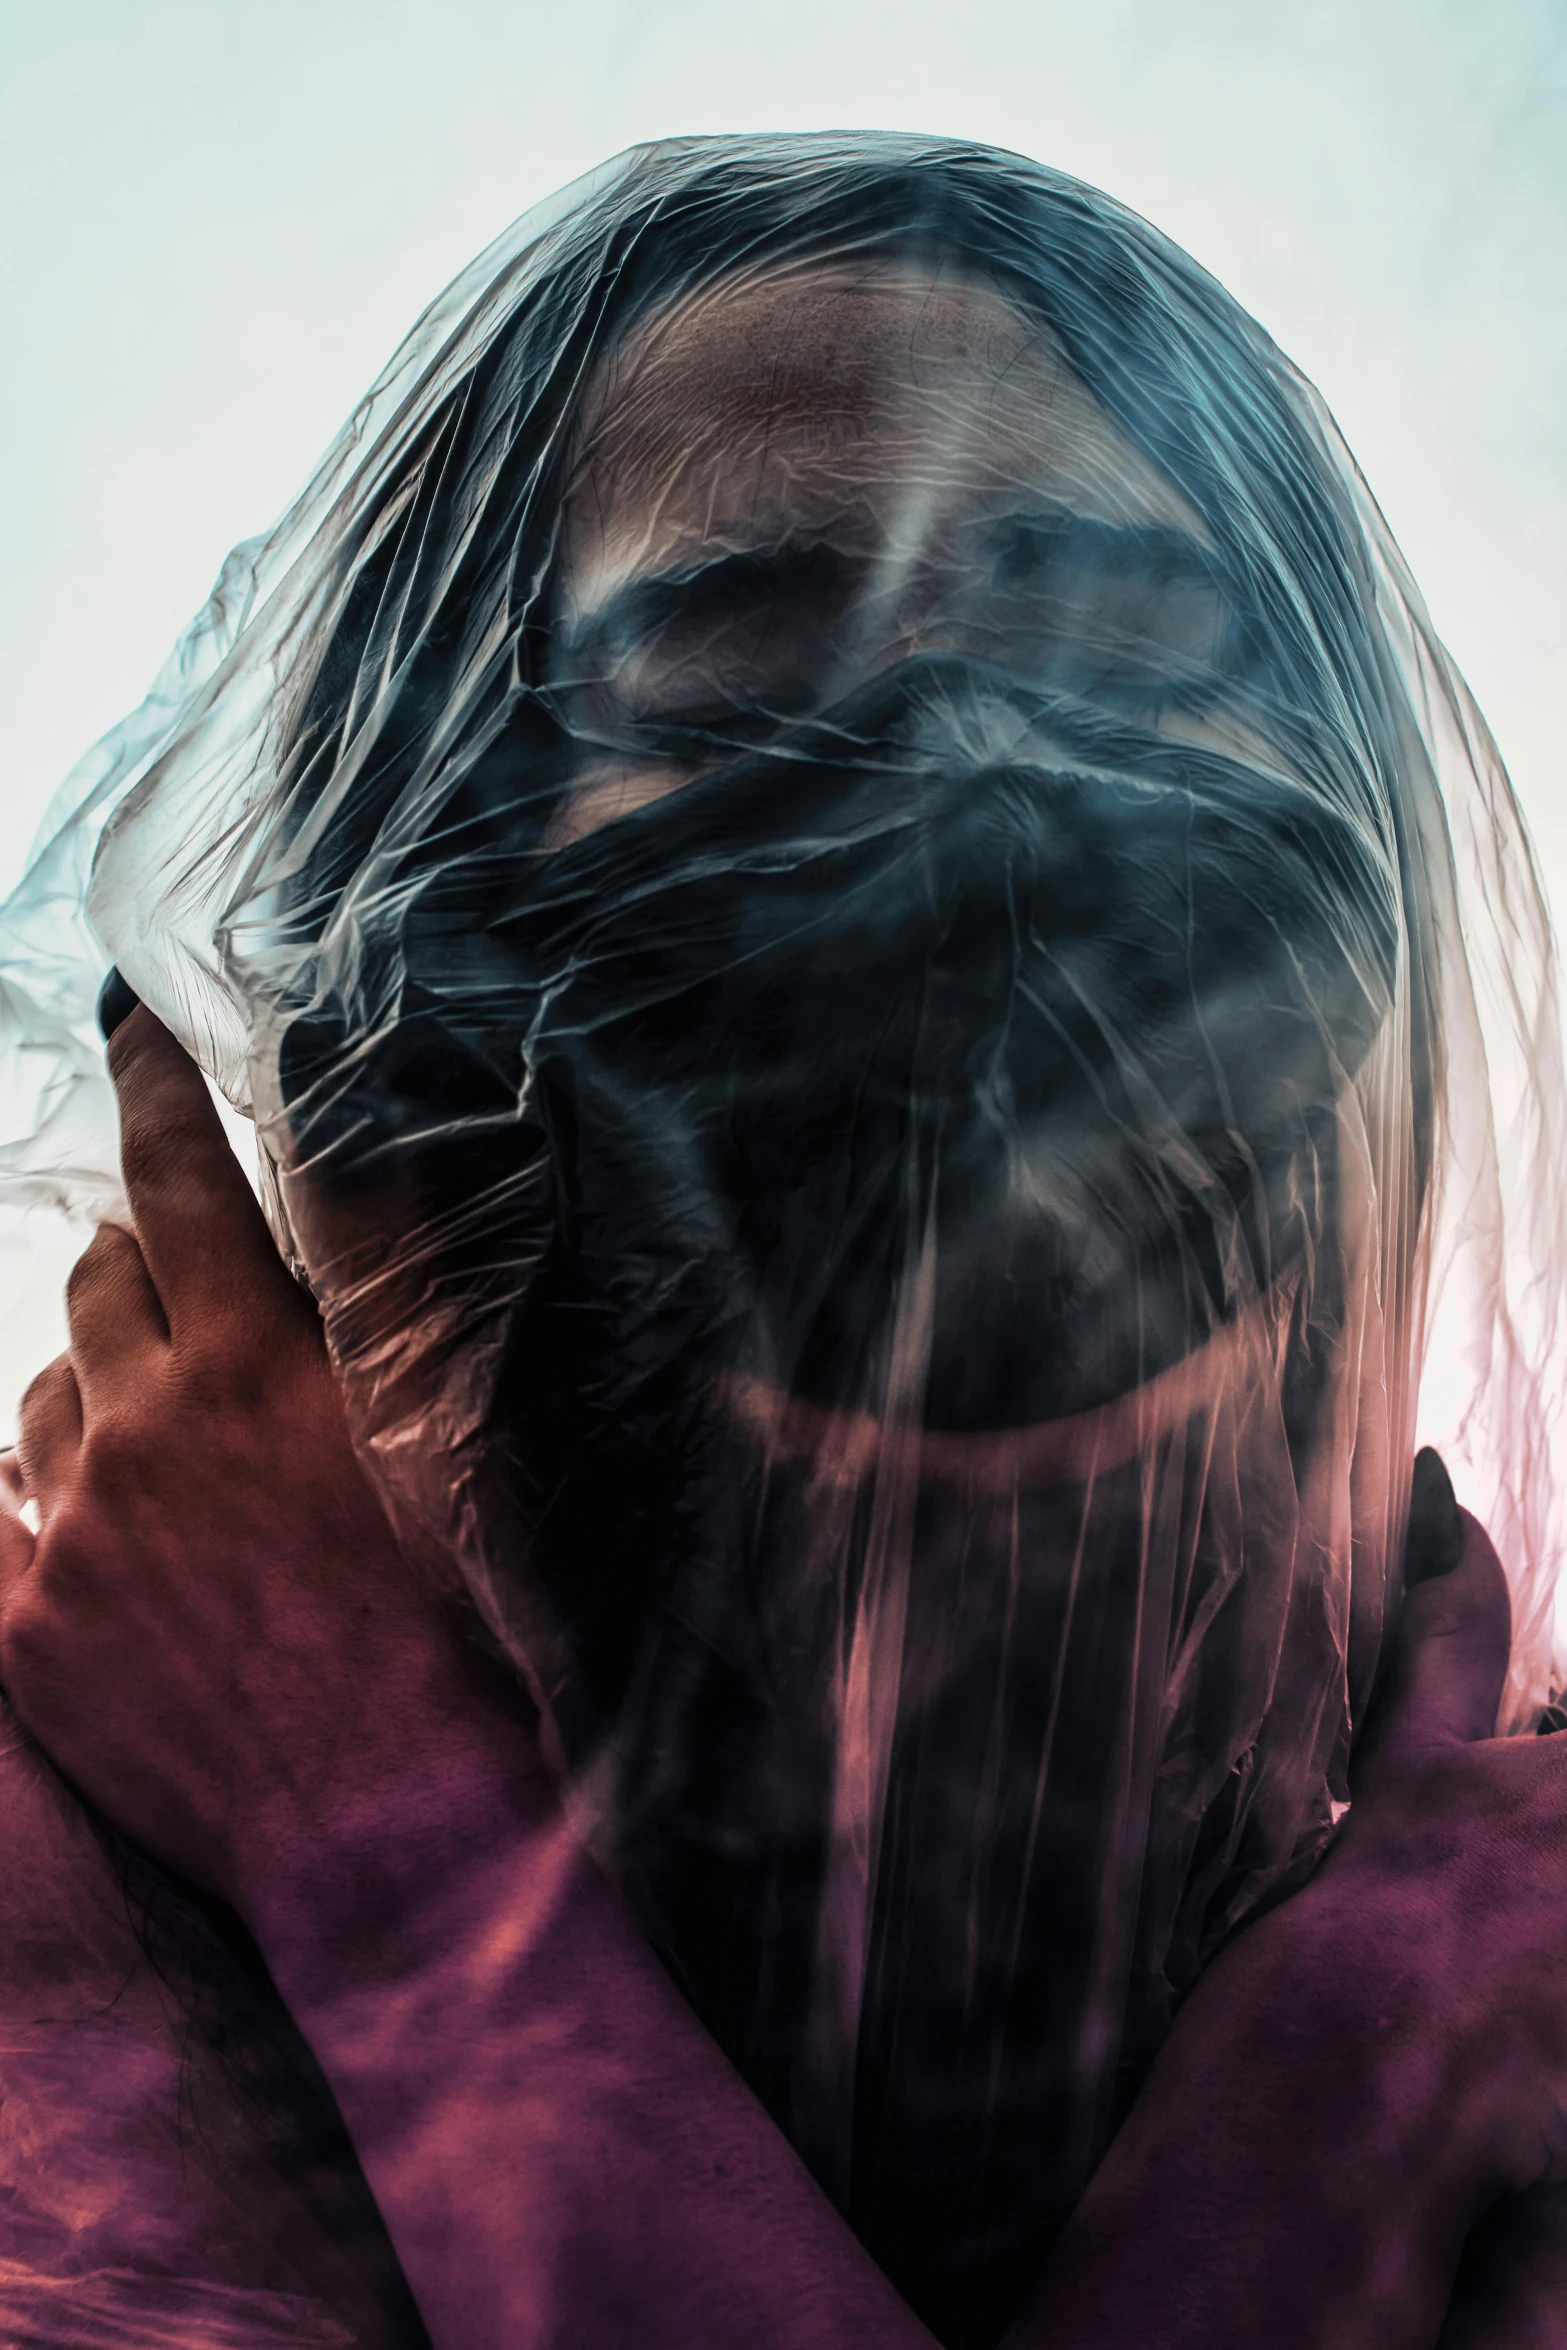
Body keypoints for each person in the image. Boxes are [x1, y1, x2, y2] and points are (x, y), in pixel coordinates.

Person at [0, 133, 1565, 2347]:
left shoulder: (1511, 1880)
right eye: (739, 674)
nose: (980, 764)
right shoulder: (82, 1858)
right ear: (416, 927)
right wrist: (387, 1844)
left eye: (1123, 643)